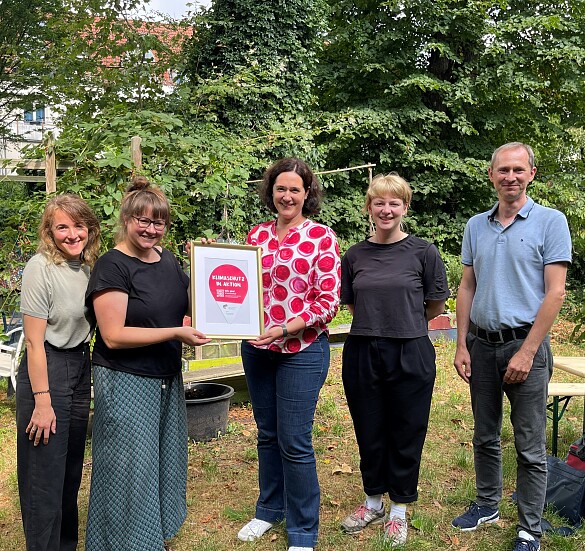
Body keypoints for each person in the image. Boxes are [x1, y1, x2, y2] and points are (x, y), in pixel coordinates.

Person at [451, 143, 572, 551]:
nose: (510, 177)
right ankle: (487, 503)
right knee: (485, 435)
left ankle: (529, 529)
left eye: (518, 169)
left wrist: (528, 352)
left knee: (530, 444)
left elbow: (555, 294)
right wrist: (461, 344)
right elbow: (467, 285)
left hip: (526, 346)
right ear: (491, 176)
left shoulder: (551, 222)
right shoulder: (475, 226)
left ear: (531, 174)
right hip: (481, 345)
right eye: (503, 170)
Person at [84, 177, 210, 551]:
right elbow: (112, 335)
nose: (151, 229)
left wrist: (205, 264)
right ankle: (122, 543)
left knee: (162, 461)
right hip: (124, 380)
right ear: (126, 218)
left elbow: (195, 303)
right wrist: (174, 333)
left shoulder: (167, 260)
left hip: (164, 378)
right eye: (143, 220)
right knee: (127, 469)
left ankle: (151, 537)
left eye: (159, 223)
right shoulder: (112, 266)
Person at [236, 158, 341, 551]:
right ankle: (269, 509)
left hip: (302, 349)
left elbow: (328, 302)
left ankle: (302, 529)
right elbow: (239, 289)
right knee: (267, 435)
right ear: (271, 192)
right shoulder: (256, 235)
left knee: (294, 440)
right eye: (281, 188)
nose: (287, 195)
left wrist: (284, 328)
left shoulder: (321, 237)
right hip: (257, 349)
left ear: (307, 193)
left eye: (295, 189)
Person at [339, 173, 449, 546]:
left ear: (405, 207)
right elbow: (353, 302)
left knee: (406, 430)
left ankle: (399, 508)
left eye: (394, 203)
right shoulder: (353, 255)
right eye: (379, 203)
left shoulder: (423, 251)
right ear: (369, 207)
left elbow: (435, 304)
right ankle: (372, 501)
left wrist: (404, 322)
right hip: (363, 350)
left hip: (411, 349)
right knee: (369, 429)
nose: (386, 210)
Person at [16, 194, 101, 550]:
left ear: (89, 229)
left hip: (80, 367)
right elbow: (34, 343)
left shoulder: (88, 269)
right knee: (44, 476)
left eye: (78, 225)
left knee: (69, 472)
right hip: (46, 369)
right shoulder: (40, 267)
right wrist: (42, 400)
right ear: (49, 231)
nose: (71, 234)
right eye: (61, 226)